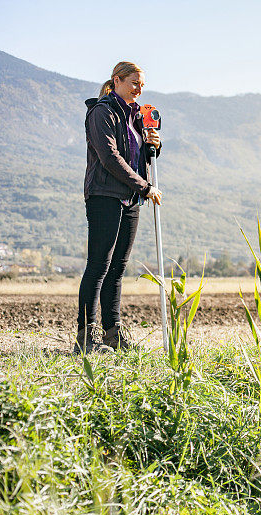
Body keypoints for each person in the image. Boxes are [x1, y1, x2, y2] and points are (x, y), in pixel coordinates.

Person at [74, 61, 163, 354]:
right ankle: (86, 338)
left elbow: (140, 157)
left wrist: (154, 146)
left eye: (142, 84)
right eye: (134, 83)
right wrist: (145, 187)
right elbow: (110, 158)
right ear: (117, 81)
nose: (139, 89)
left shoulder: (137, 116)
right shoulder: (103, 112)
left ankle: (113, 334)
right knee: (99, 265)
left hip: (130, 199)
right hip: (105, 195)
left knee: (117, 269)